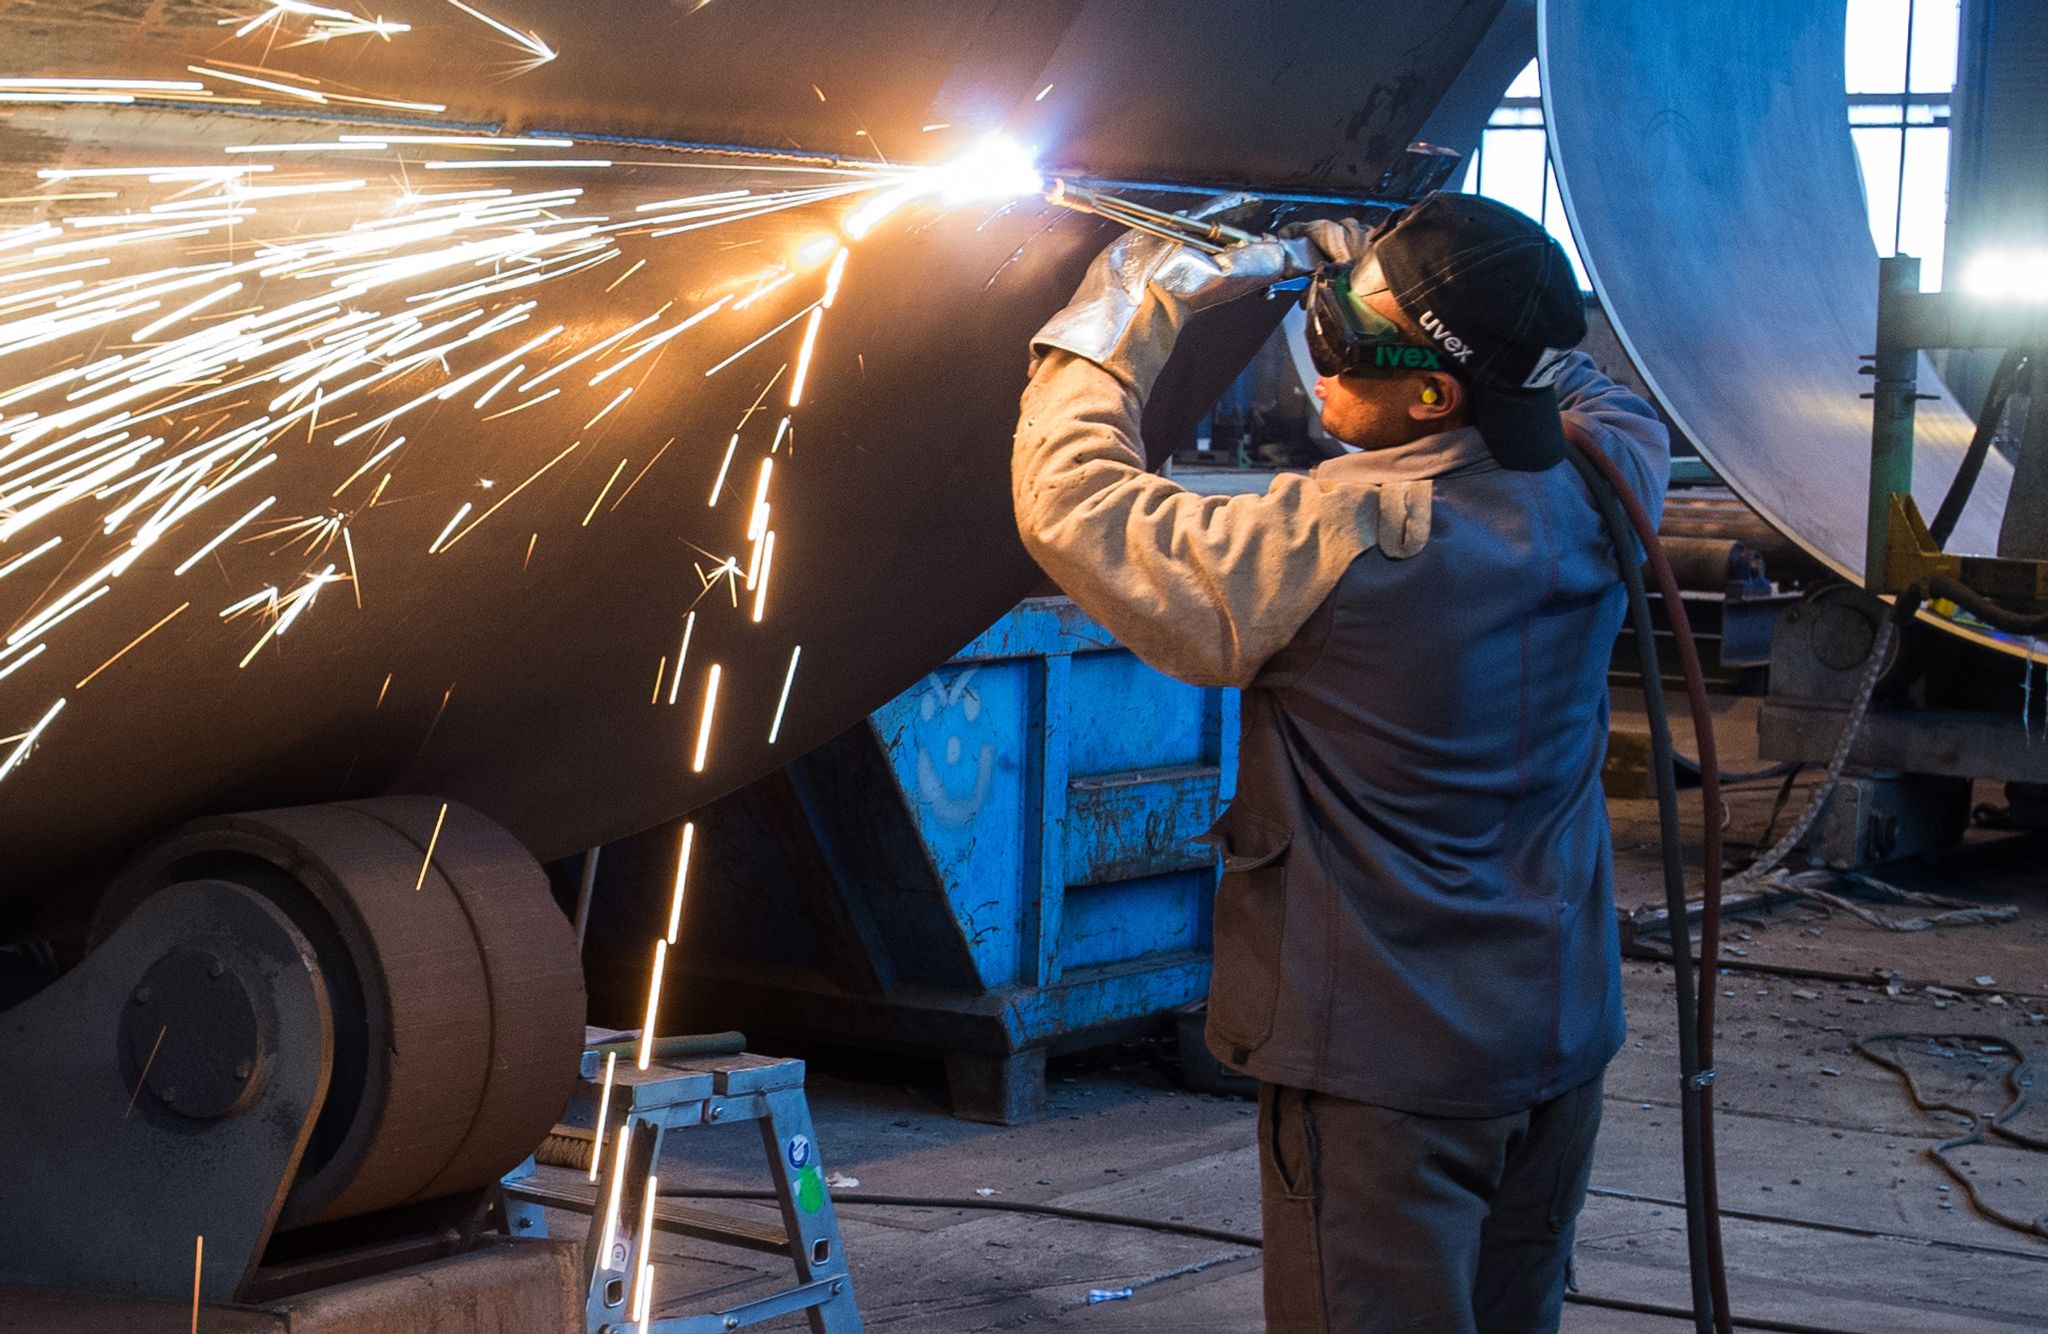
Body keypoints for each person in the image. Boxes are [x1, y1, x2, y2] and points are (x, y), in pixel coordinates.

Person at [1011, 192, 1669, 1334]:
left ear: (1430, 394)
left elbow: (1076, 502)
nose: (1313, 363)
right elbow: (1571, 379)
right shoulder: (1608, 479)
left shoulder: (1334, 544)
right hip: (1554, 1038)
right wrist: (1403, 273)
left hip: (1385, 1075)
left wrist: (1133, 305)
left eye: (1343, 347)